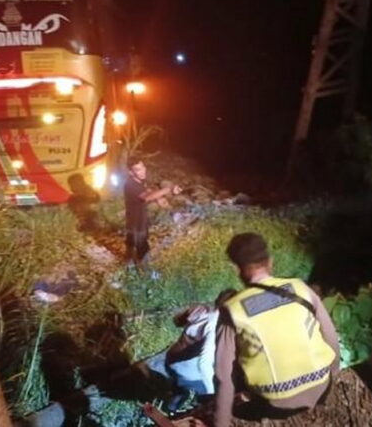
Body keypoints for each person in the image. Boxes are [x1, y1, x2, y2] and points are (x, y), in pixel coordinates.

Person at [209, 233, 340, 427]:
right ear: (270, 261)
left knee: (234, 357)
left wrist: (220, 423)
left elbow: (223, 374)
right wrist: (332, 378)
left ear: (236, 268)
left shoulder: (232, 310)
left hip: (276, 403)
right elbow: (331, 338)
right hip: (322, 386)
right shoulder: (300, 288)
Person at [145, 289, 238, 414]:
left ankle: (173, 385)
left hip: (172, 355)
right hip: (180, 364)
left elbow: (177, 321)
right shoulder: (215, 326)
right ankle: (171, 409)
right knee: (201, 387)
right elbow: (204, 362)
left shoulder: (203, 310)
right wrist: (209, 391)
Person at [123, 157, 181, 271]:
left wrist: (160, 199)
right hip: (137, 225)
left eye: (143, 167)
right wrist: (168, 190)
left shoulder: (139, 180)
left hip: (135, 223)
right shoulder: (130, 184)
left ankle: (127, 270)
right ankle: (148, 277)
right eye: (138, 169)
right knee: (143, 251)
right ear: (131, 172)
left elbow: (148, 192)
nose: (143, 171)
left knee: (130, 247)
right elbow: (147, 197)